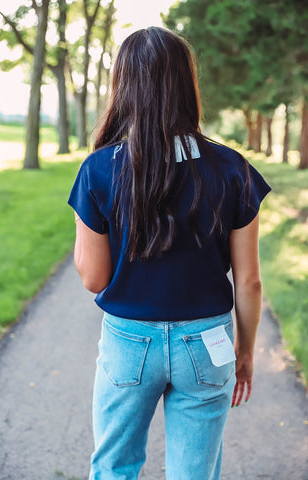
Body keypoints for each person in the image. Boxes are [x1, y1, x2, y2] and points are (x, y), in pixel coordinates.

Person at [68, 26, 271, 480]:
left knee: (115, 468)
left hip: (128, 343)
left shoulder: (100, 169)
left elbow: (94, 278)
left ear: (124, 86)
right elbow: (250, 280)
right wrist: (247, 350)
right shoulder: (232, 169)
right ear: (186, 83)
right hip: (208, 342)